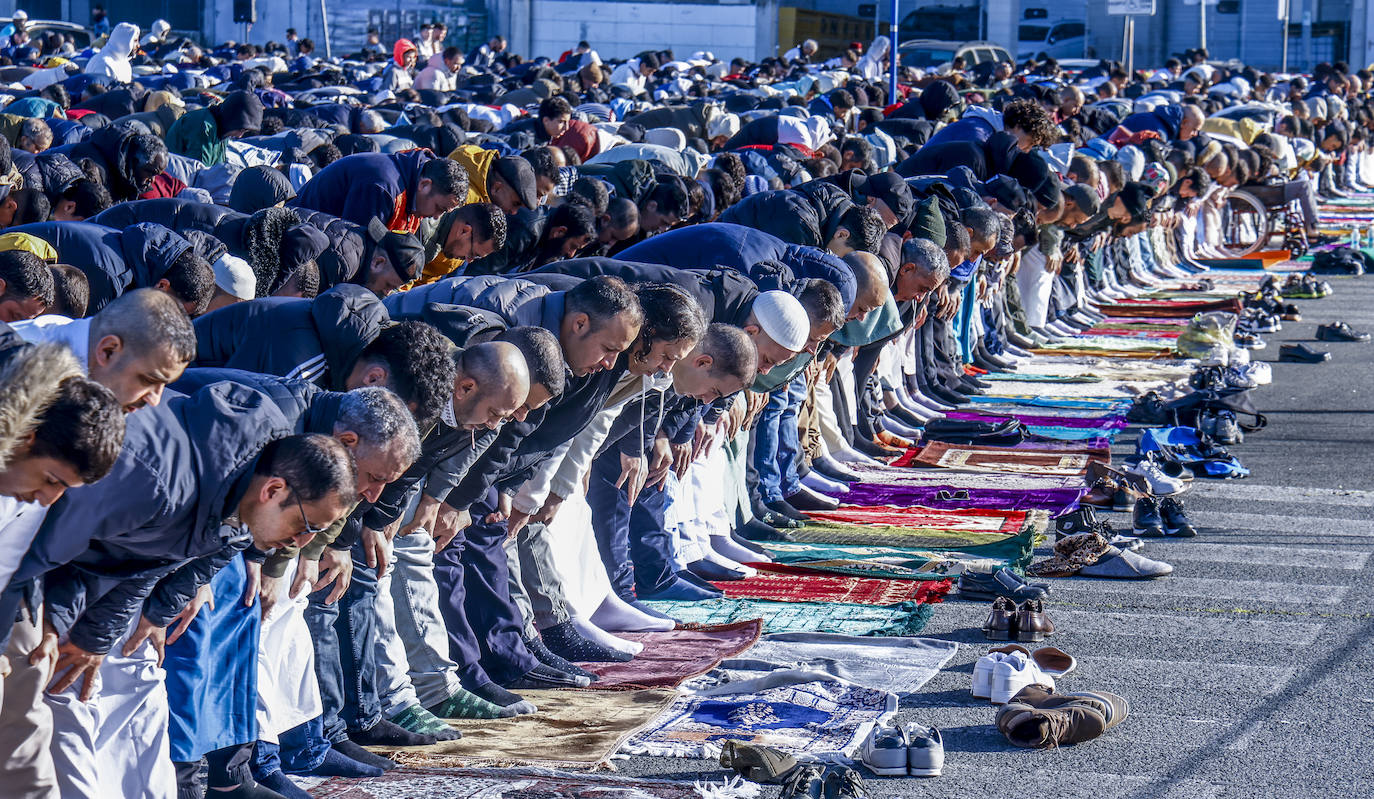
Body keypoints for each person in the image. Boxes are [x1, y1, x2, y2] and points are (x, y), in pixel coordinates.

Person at [11, 288, 197, 412]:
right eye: (148, 380)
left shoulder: (75, 335)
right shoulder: (14, 372)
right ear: (108, 350)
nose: (154, 400)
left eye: (164, 384)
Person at [290, 151, 467, 233]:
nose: (436, 216)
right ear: (425, 185)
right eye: (439, 208)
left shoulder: (413, 185)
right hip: (295, 230)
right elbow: (351, 247)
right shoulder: (383, 188)